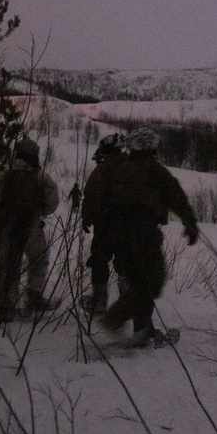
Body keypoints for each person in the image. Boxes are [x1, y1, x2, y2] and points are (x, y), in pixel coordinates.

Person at [99, 128, 199, 347]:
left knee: (137, 284)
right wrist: (190, 224)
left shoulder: (119, 170)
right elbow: (177, 198)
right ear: (150, 148)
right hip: (143, 234)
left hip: (118, 236)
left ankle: (143, 331)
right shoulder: (155, 172)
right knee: (152, 284)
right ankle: (114, 318)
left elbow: (104, 202)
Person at [0, 137, 59, 322]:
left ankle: (7, 307)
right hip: (31, 227)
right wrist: (38, 213)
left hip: (7, 228)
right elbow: (52, 203)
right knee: (38, 261)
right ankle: (33, 298)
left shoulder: (4, 175)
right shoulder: (41, 176)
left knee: (9, 266)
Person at [81, 133, 127, 314]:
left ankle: (99, 301)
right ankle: (126, 303)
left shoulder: (101, 169)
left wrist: (86, 217)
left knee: (100, 260)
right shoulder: (132, 166)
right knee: (125, 263)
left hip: (104, 225)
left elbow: (90, 195)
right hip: (128, 225)